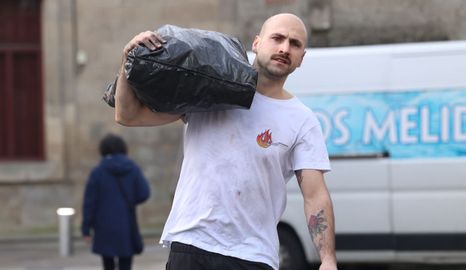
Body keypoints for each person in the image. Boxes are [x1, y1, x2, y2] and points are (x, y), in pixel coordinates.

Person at [115, 13, 337, 270]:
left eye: (295, 44)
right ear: (256, 43)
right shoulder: (210, 88)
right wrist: (127, 58)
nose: (284, 48)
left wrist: (328, 259)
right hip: (191, 243)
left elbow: (315, 194)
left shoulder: (302, 120)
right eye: (277, 38)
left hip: (252, 255)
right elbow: (127, 115)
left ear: (301, 58)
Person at [81, 133, 150, 270]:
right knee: (126, 262)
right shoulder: (133, 169)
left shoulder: (98, 172)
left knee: (108, 263)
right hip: (127, 223)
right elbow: (144, 193)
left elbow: (90, 203)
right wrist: (129, 201)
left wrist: (86, 229)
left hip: (103, 225)